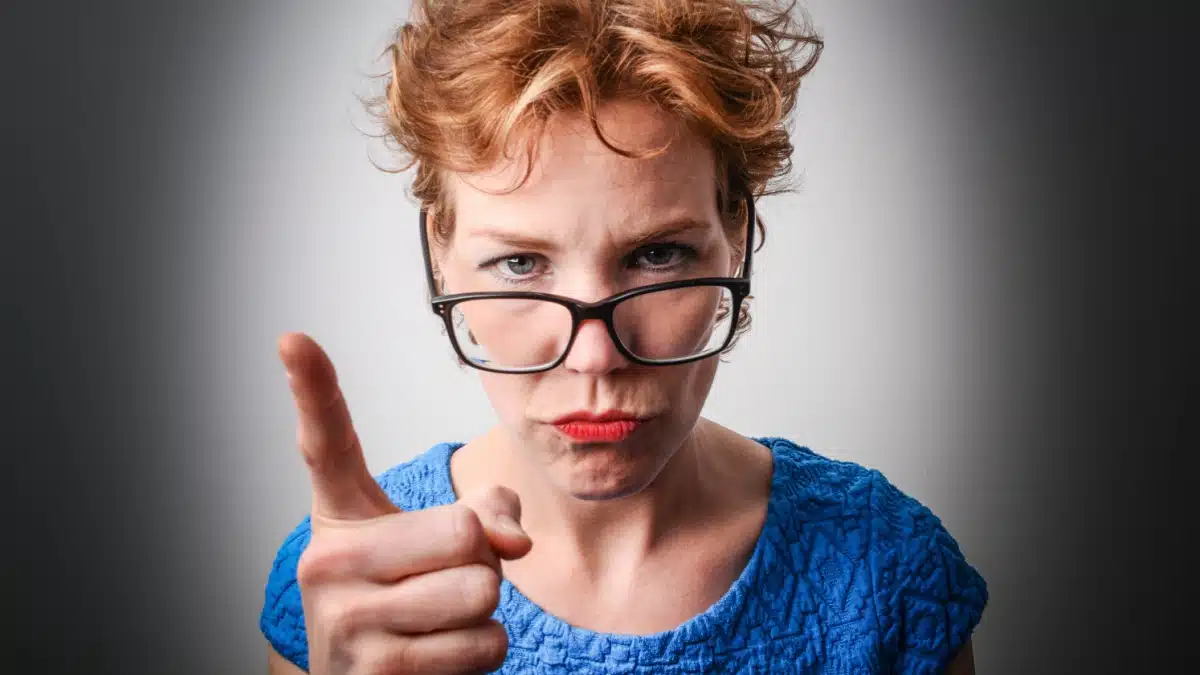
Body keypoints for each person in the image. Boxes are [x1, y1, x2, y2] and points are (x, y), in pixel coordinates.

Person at [259, 0, 988, 672]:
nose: (595, 357)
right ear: (440, 253)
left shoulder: (888, 570)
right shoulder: (349, 584)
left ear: (737, 233)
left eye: (657, 255)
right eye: (519, 263)